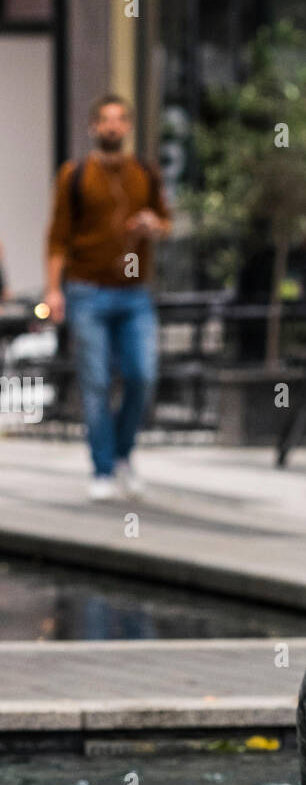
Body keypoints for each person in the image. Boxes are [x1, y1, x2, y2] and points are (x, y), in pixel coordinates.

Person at [44, 94, 171, 500]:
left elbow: (166, 222)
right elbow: (57, 237)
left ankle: (122, 454)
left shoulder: (145, 173)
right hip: (87, 291)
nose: (113, 127)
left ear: (129, 127)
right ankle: (102, 468)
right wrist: (52, 290)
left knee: (141, 376)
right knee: (95, 382)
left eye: (120, 120)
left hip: (134, 294)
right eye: (106, 121)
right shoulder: (75, 175)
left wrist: (153, 224)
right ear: (93, 127)